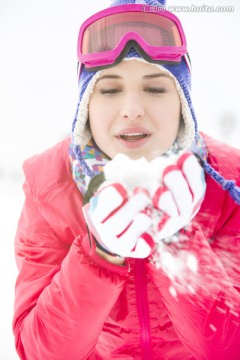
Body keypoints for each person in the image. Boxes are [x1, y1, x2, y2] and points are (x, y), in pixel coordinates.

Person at [13, 0, 240, 359]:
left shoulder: (231, 183)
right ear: (86, 106)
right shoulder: (48, 188)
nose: (132, 107)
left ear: (183, 104)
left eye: (155, 88)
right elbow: (39, 351)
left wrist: (178, 247)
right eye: (109, 89)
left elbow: (230, 348)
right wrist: (99, 254)